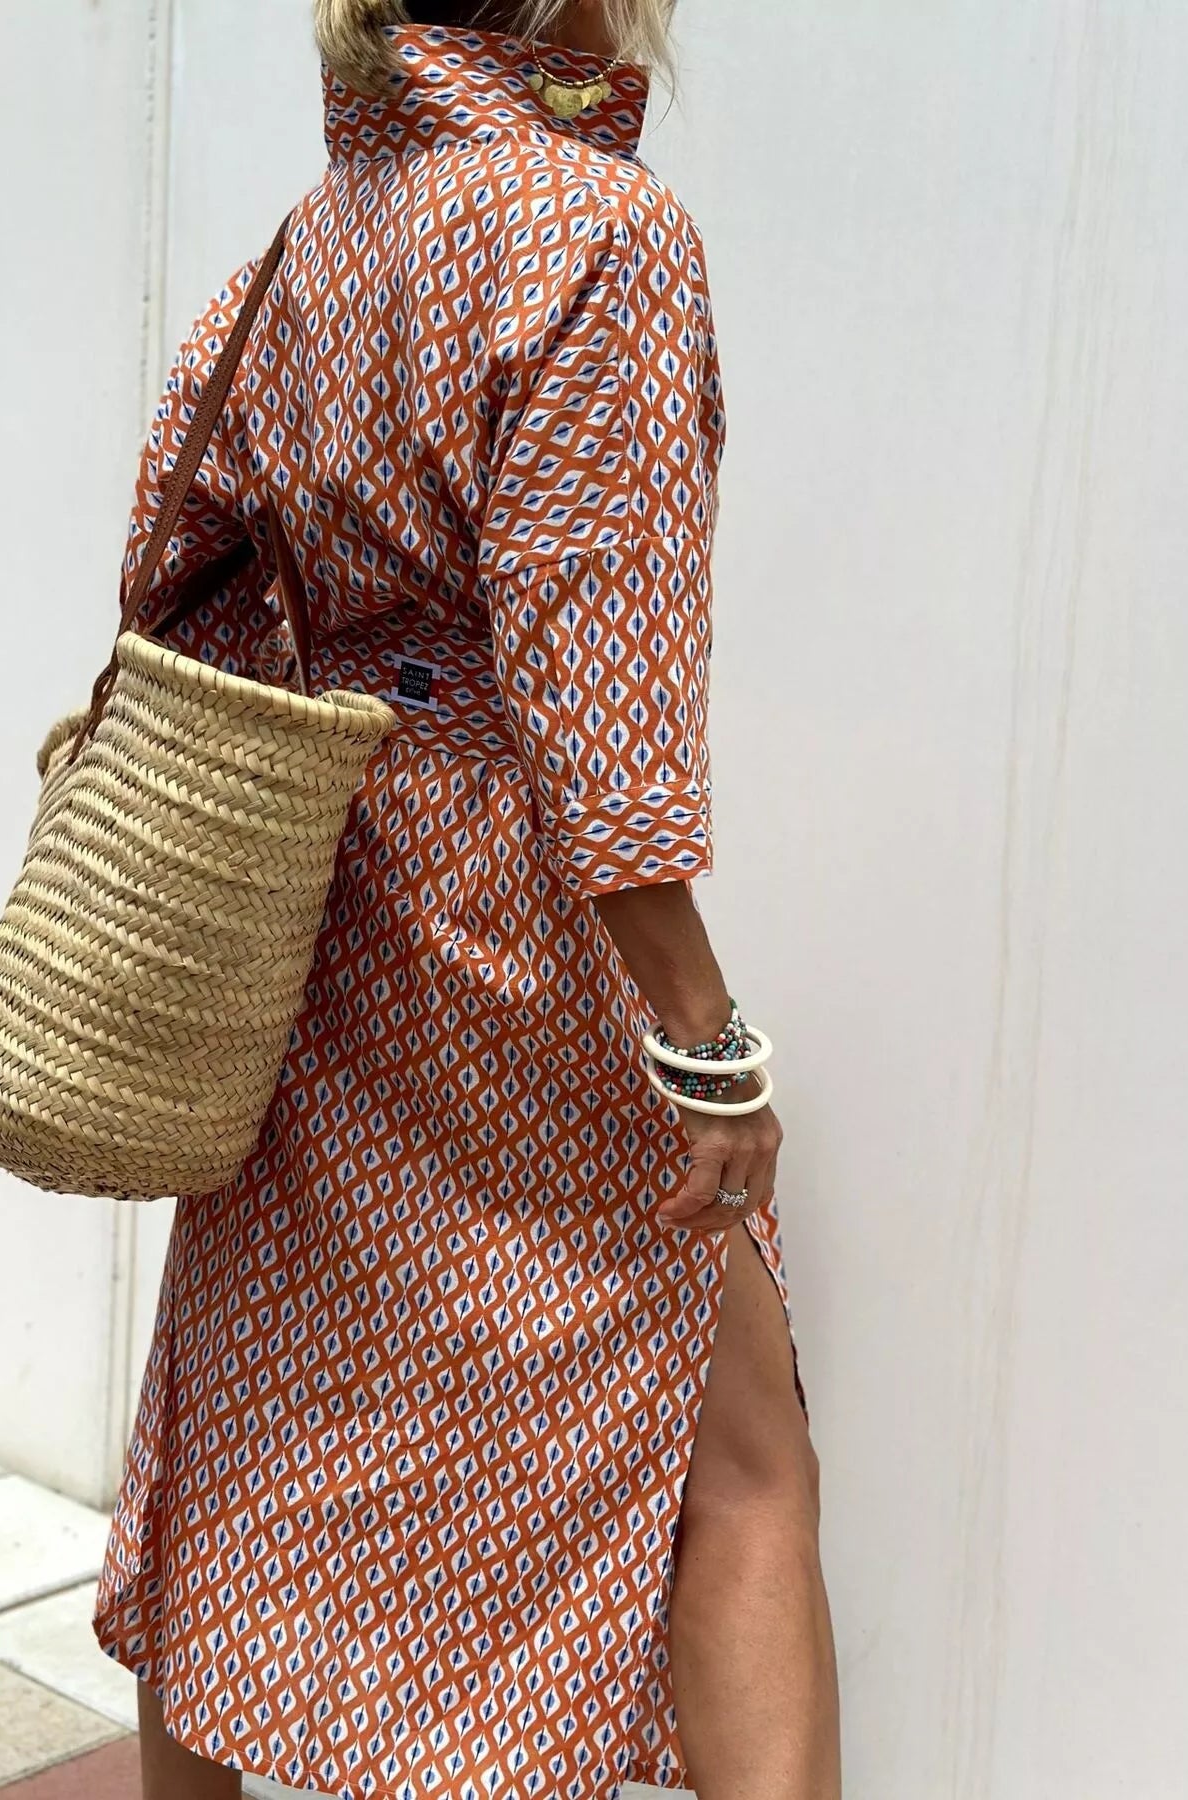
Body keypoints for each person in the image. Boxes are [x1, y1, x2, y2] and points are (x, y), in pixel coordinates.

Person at [92, 4, 841, 1797]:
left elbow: (170, 567)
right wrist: (701, 1032)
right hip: (513, 920)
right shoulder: (595, 227)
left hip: (320, 900)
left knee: (260, 1403)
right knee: (737, 1454)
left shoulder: (315, 235)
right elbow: (599, 676)